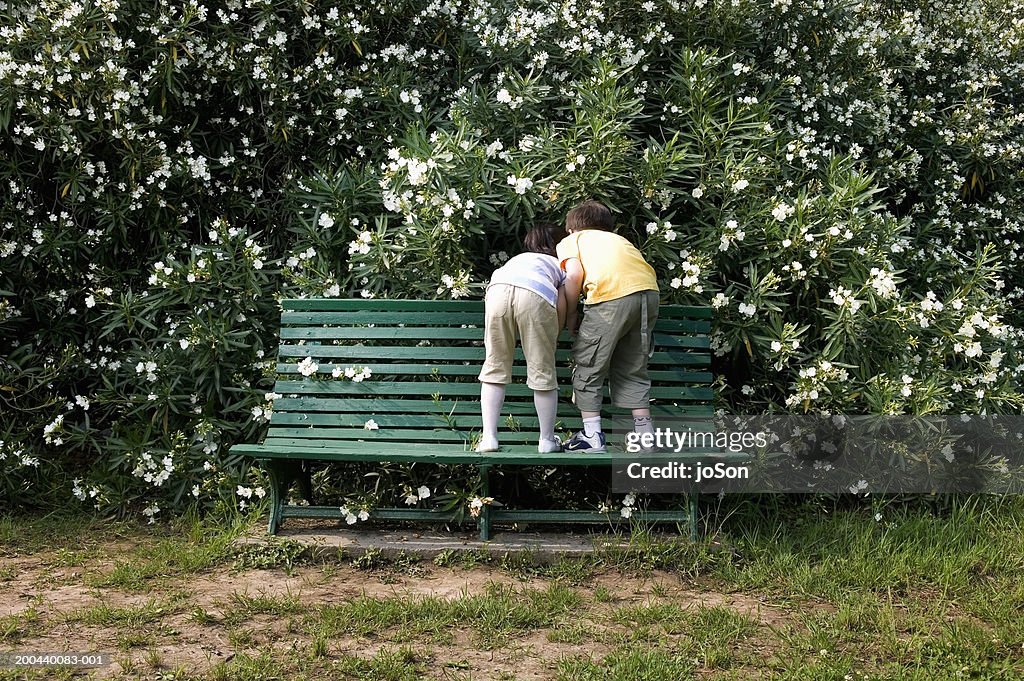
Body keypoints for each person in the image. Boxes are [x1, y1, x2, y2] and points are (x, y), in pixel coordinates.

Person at [556, 200, 659, 452]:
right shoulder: (620, 241)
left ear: (572, 229)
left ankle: (591, 436)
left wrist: (570, 316)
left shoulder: (574, 240)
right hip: (649, 295)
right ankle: (645, 437)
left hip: (612, 298)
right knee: (633, 365)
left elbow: (574, 276)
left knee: (589, 363)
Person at [477, 222, 570, 453]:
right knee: (542, 370)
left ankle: (489, 437)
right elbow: (561, 301)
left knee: (494, 366)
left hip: (497, 290)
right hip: (536, 295)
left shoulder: (517, 259)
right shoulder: (559, 263)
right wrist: (556, 332)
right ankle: (547, 440)